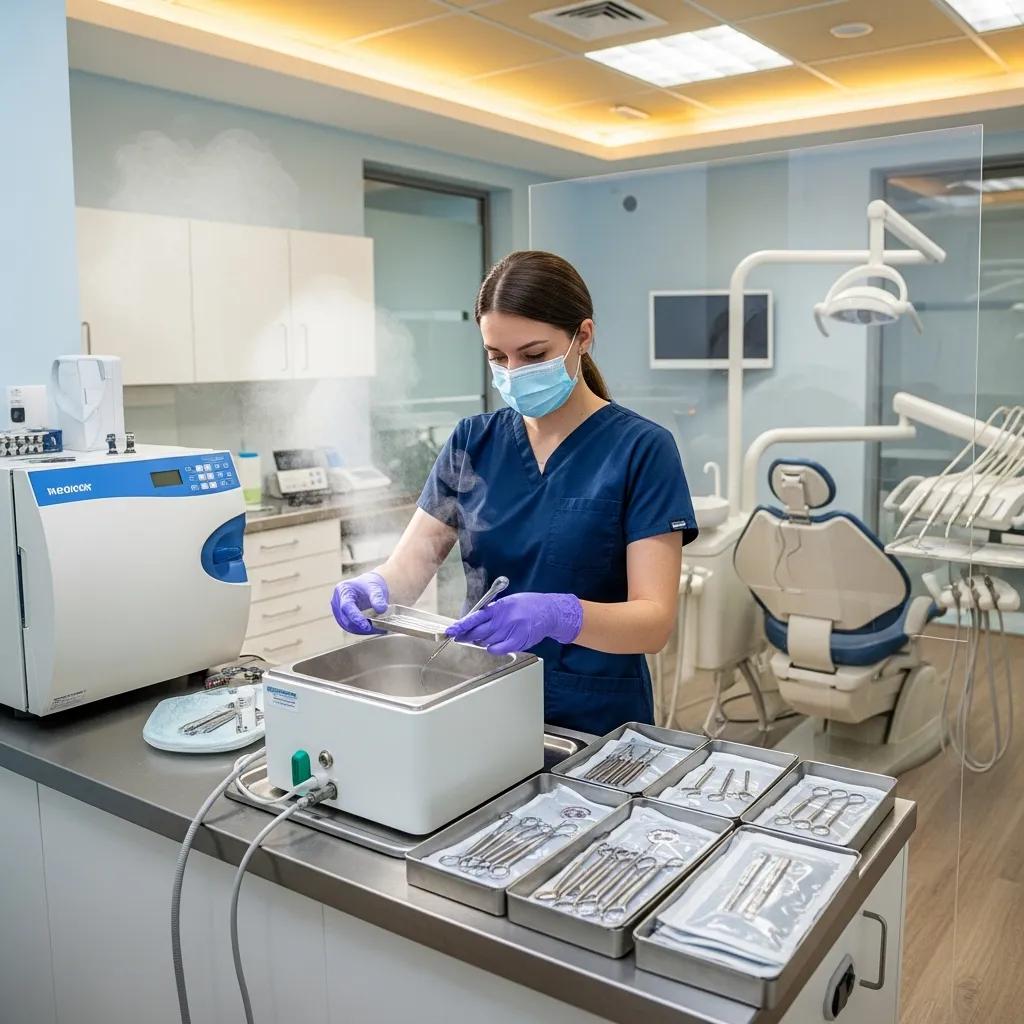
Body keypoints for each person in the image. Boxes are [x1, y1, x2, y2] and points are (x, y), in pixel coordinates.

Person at [331, 251, 697, 736]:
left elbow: (653, 624)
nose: (513, 371)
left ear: (582, 337)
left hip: (597, 720)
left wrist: (559, 614)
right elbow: (410, 568)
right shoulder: (472, 441)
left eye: (533, 355)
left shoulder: (642, 450)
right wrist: (372, 587)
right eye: (496, 356)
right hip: (480, 695)